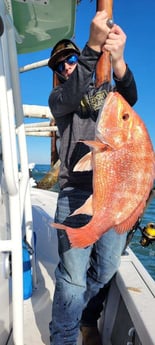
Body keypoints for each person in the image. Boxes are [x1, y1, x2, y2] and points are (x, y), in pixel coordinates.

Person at [48, 10, 137, 345]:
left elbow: (130, 98)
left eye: (70, 59)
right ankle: (63, 337)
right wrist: (90, 46)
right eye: (61, 65)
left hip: (113, 192)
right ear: (57, 74)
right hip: (75, 193)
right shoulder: (58, 100)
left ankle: (86, 318)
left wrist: (118, 63)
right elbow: (72, 93)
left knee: (105, 270)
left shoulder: (105, 90)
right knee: (73, 278)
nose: (68, 66)